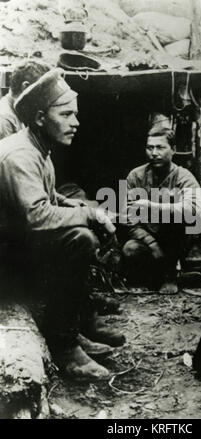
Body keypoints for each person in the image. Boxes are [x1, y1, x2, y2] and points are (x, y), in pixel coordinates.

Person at [0, 68, 125, 380]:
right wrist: (87, 215)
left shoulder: (37, 147)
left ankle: (74, 327)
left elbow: (51, 195)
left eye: (76, 114)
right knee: (79, 240)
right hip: (5, 261)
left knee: (83, 224)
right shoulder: (19, 155)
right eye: (67, 114)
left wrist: (83, 207)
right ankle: (64, 346)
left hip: (14, 246)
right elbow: (38, 215)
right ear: (41, 117)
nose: (76, 122)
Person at [121, 114, 201, 294]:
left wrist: (153, 206)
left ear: (173, 149)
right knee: (130, 249)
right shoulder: (135, 176)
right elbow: (128, 219)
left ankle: (170, 274)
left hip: (174, 238)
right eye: (150, 148)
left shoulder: (184, 177)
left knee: (179, 220)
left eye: (160, 147)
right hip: (149, 238)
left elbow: (195, 211)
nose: (154, 153)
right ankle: (150, 276)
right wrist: (152, 245)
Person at [0, 60, 50, 140]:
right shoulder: (4, 120)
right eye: (42, 92)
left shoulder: (18, 110)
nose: (45, 98)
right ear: (26, 87)